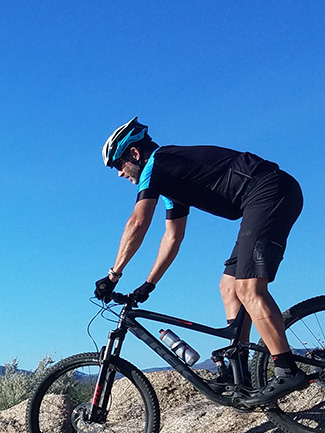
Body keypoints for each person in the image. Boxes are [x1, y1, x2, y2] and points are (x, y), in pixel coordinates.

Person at [93, 117, 306, 406]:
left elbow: (138, 222)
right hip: (261, 199)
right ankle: (238, 371)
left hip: (270, 191)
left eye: (119, 165)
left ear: (134, 153)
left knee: (248, 288)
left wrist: (113, 275)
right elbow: (172, 238)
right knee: (229, 288)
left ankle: (286, 369)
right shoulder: (170, 181)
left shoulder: (158, 163)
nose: (119, 174)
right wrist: (148, 284)